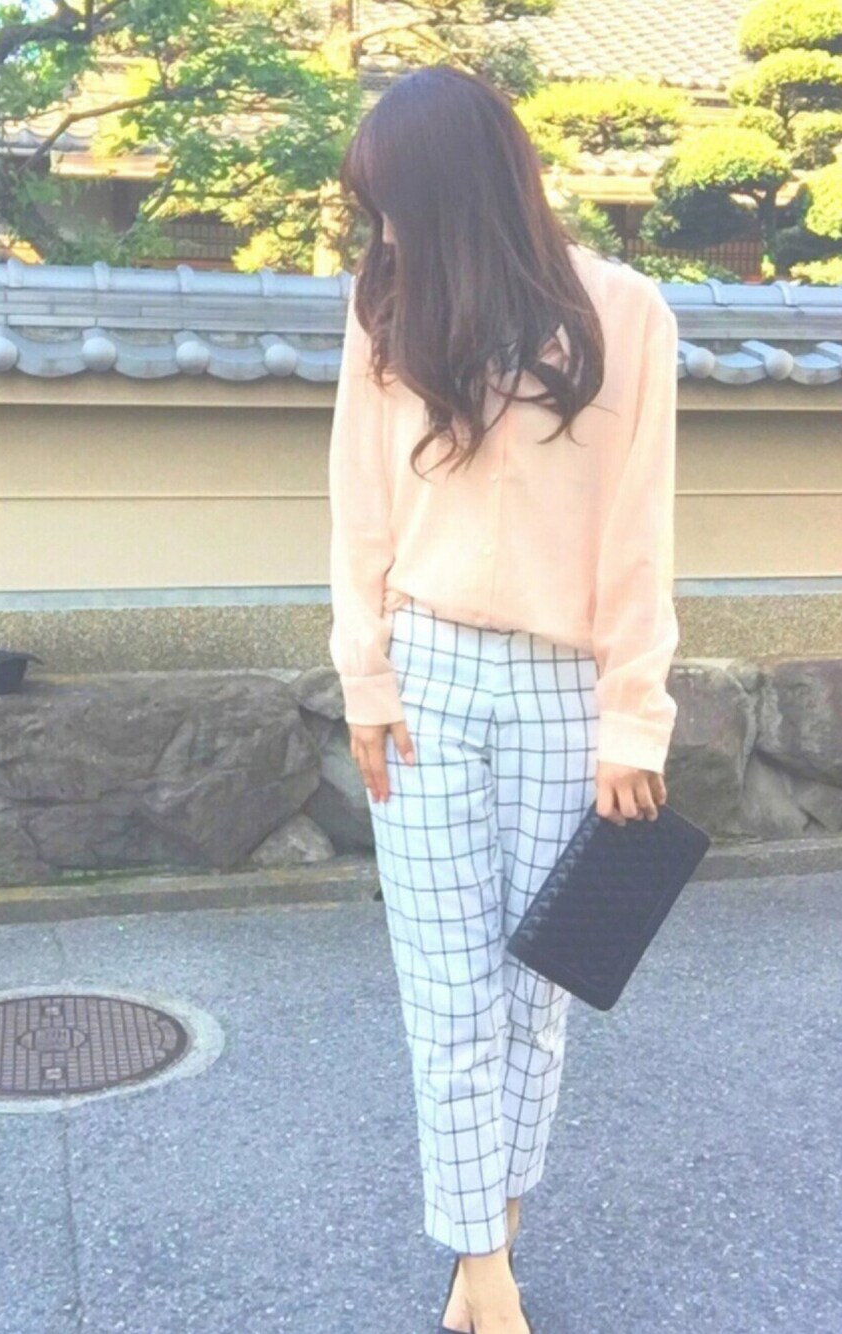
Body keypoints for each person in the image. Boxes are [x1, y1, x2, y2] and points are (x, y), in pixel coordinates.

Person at [327, 64, 679, 1334]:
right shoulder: (385, 308)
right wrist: (363, 676)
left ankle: (495, 1224)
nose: (384, 227)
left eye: (396, 200)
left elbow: (639, 531)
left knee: (538, 995)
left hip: (565, 692)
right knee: (449, 997)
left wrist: (633, 713)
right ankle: (483, 1266)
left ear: (459, 186)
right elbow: (358, 507)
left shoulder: (624, 312)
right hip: (423, 680)